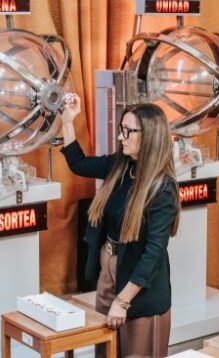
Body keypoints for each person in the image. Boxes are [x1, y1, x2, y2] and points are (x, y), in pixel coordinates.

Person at [60, 95, 180, 358]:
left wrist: (123, 301)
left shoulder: (162, 188)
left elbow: (153, 253)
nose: (120, 137)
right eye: (120, 129)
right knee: (106, 351)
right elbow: (78, 163)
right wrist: (68, 121)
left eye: (128, 131)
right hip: (109, 271)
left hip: (139, 285)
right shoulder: (120, 165)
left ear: (149, 136)